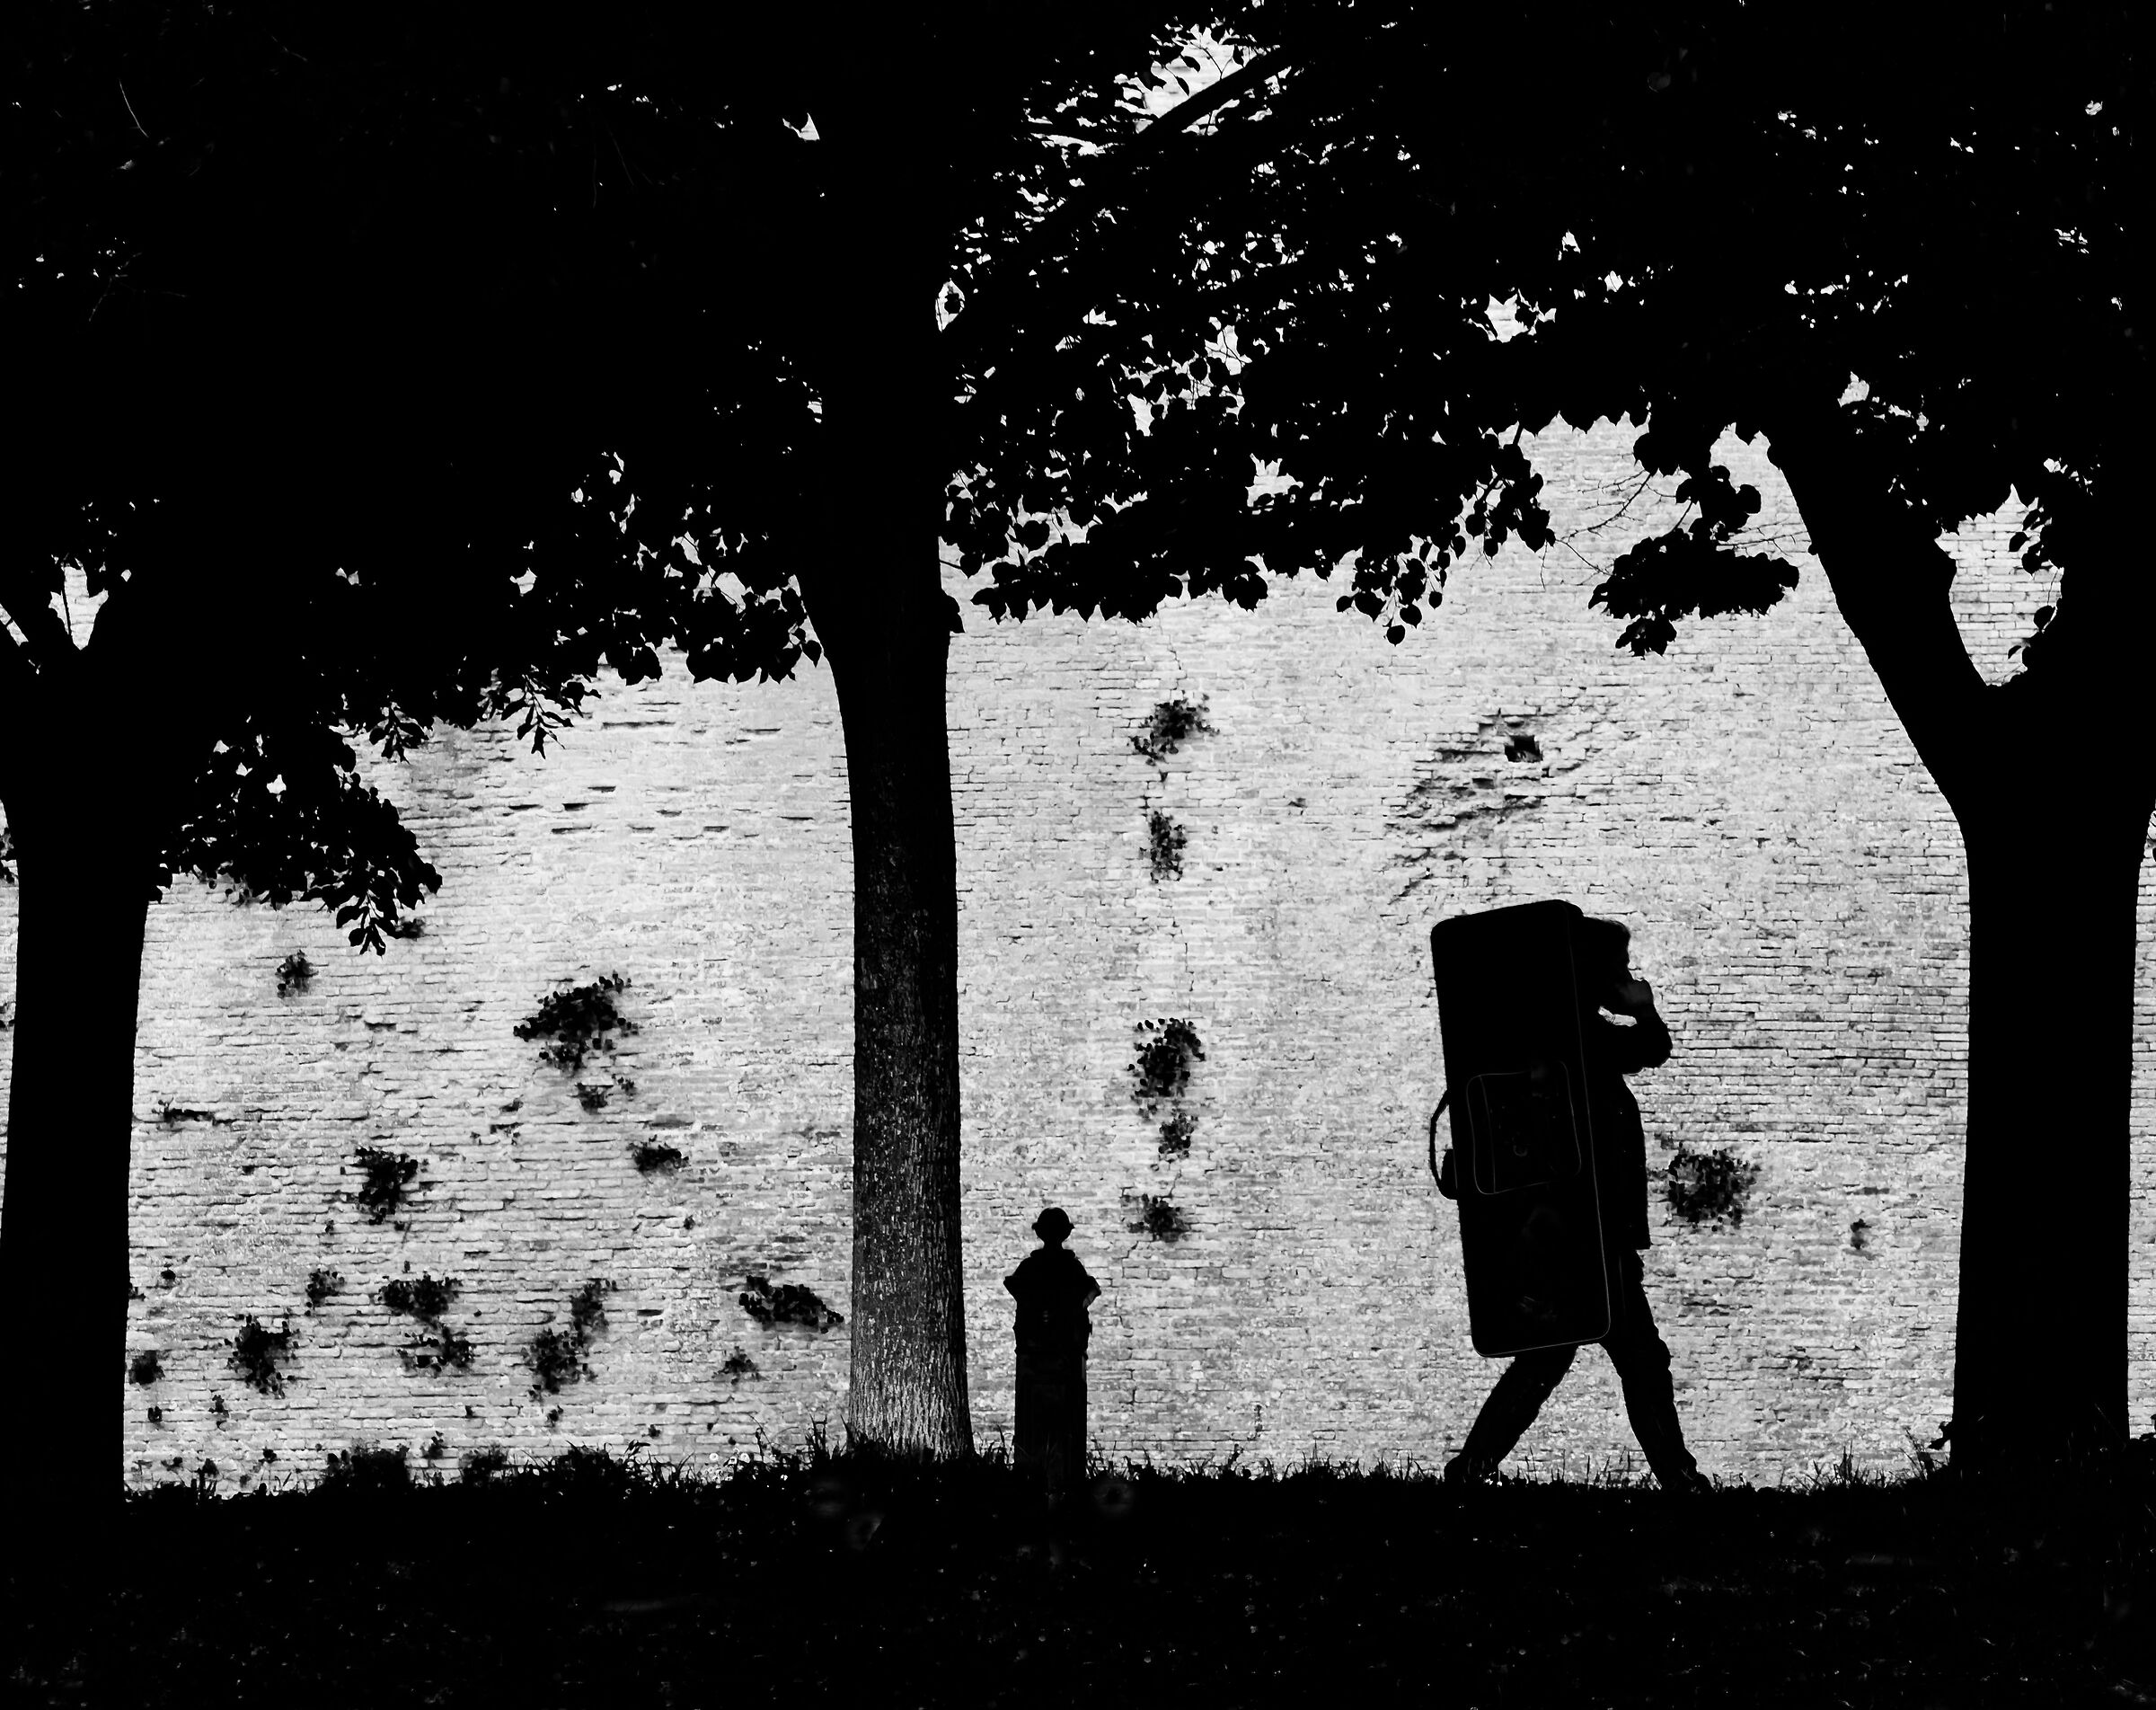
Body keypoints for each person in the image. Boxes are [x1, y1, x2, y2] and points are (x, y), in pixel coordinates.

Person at [1445, 917, 1716, 1497]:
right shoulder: (1577, 1036)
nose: (1621, 977)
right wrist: (1642, 1007)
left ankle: (1469, 1472)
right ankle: (1680, 1480)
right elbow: (1652, 1047)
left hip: (1564, 1230)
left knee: (1549, 1358)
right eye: (1615, 968)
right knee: (1639, 1359)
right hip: (1584, 1231)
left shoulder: (1549, 1032)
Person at [1004, 1207, 1100, 1496]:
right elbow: (1091, 1292)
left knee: (1039, 1426)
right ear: (1067, 1233)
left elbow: (1015, 1287)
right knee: (1061, 1427)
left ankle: (1036, 1488)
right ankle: (1061, 1487)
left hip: (1038, 1355)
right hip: (1061, 1354)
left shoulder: (1031, 1270)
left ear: (1039, 1233)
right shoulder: (1072, 1270)